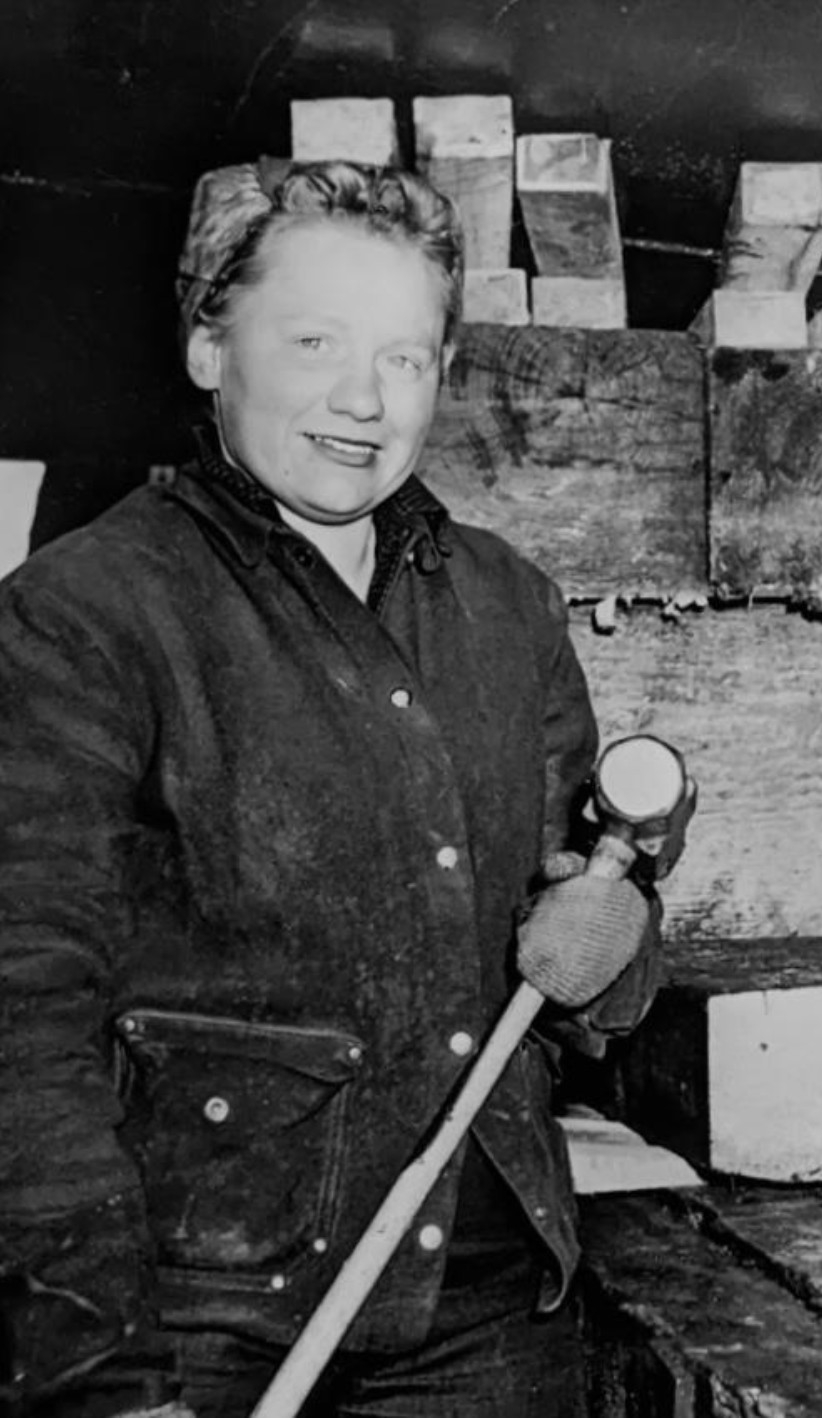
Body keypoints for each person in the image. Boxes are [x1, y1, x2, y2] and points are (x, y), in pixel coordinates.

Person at [0, 158, 676, 1416]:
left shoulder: (504, 602)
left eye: (407, 356)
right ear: (210, 345)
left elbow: (598, 953)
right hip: (206, 1325)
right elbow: (20, 1018)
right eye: (314, 340)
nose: (364, 399)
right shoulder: (82, 616)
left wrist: (615, 937)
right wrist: (98, 1378)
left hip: (486, 1310)